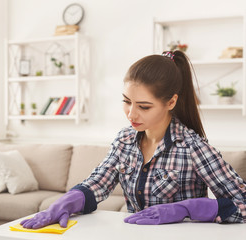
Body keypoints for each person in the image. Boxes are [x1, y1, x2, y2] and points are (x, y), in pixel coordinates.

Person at [21, 50, 246, 229]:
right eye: (127, 101)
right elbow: (99, 182)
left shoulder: (192, 148)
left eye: (144, 106)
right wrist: (71, 199)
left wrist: (189, 208)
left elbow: (242, 204)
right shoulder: (125, 140)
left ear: (171, 102)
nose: (131, 114)